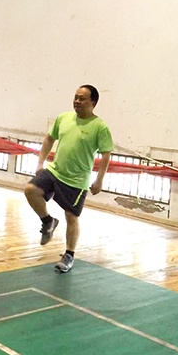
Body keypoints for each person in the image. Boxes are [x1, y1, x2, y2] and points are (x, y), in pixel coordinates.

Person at [24, 85, 113, 273]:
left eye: (82, 99)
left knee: (71, 217)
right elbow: (49, 138)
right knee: (30, 190)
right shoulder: (63, 118)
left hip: (76, 180)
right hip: (55, 171)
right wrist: (40, 163)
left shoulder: (100, 127)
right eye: (75, 97)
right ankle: (47, 221)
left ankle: (69, 255)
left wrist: (99, 180)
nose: (77, 101)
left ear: (93, 102)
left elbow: (106, 154)